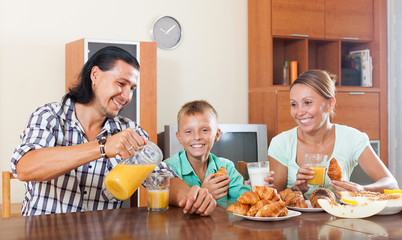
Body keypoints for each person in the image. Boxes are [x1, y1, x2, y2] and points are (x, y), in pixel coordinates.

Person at [10, 46, 216, 216]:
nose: (127, 96)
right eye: (121, 83)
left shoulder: (130, 131)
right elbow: (26, 168)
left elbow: (162, 178)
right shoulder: (49, 115)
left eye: (132, 88)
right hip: (44, 233)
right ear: (95, 75)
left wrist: (191, 196)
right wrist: (103, 147)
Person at [266, 69, 398, 198]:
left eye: (307, 103)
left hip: (340, 218)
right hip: (295, 220)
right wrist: (297, 190)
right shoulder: (281, 143)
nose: (299, 112)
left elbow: (392, 185)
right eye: (294, 104)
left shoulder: (352, 138)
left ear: (330, 104)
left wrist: (361, 189)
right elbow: (273, 198)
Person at [164, 100, 250, 202]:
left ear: (217, 135)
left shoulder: (226, 167)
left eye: (204, 130)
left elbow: (246, 199)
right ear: (179, 137)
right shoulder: (168, 169)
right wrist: (204, 192)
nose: (196, 137)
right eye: (188, 131)